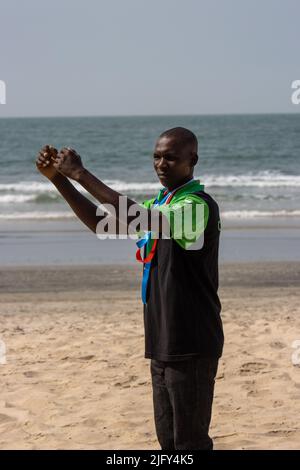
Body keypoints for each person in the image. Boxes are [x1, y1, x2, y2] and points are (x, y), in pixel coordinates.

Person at [36, 127, 224, 450]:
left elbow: (138, 218)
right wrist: (58, 179)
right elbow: (100, 223)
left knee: (190, 444)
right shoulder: (163, 203)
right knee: (168, 443)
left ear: (192, 160)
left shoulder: (195, 206)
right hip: (163, 341)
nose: (161, 164)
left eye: (170, 157)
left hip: (192, 342)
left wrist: (81, 173)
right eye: (157, 156)